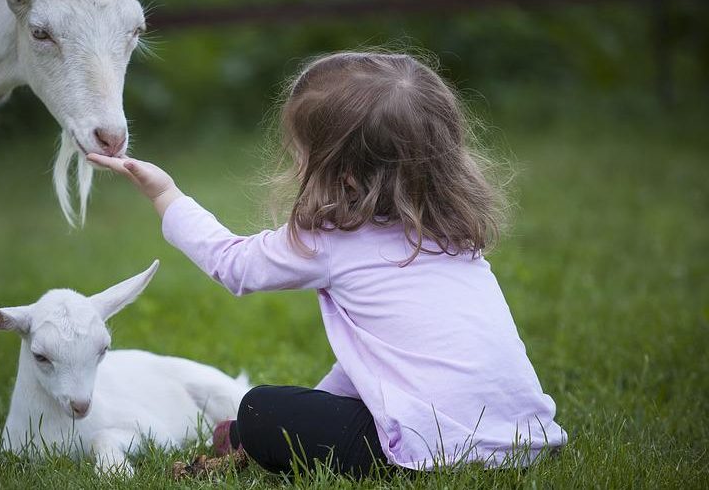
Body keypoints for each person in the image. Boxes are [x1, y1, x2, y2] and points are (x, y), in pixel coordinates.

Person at [88, 52, 566, 477]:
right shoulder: (455, 237)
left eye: (301, 153)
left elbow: (232, 264)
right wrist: (316, 404)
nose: (295, 163)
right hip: (524, 440)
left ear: (346, 176)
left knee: (259, 410)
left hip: (430, 451)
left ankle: (250, 437)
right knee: (287, 410)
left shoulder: (333, 239)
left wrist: (165, 194)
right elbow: (377, 362)